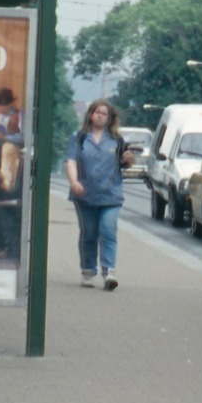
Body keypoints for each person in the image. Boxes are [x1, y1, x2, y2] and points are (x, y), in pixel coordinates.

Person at [64, 100, 132, 290]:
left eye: (105, 113)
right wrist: (74, 181)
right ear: (91, 115)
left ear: (110, 118)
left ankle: (109, 271)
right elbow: (70, 161)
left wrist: (129, 159)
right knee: (90, 233)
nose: (101, 116)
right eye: (98, 112)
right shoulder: (79, 137)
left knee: (108, 230)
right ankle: (88, 270)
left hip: (111, 194)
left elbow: (125, 163)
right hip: (85, 195)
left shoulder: (117, 140)